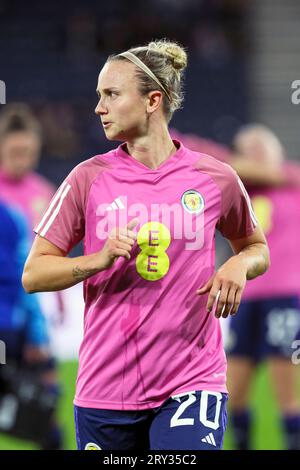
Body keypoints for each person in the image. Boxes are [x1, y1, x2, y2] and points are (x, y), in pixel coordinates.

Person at [22, 39, 270, 451]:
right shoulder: (88, 178)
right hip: (106, 386)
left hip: (192, 379)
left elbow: (255, 246)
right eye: (100, 96)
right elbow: (33, 274)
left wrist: (239, 265)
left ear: (153, 99)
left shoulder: (216, 177)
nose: (98, 107)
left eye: (111, 94)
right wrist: (97, 260)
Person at [226, 124, 300, 450]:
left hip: (285, 295)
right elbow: (228, 165)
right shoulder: (239, 190)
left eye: (261, 145)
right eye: (248, 147)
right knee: (232, 397)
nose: (254, 152)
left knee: (286, 394)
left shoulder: (292, 179)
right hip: (246, 296)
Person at [0, 105, 63, 449]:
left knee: (46, 403)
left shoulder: (45, 193)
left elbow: (55, 256)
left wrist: (55, 306)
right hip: (8, 313)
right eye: (15, 152)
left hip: (36, 312)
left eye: (29, 151)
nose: (22, 158)